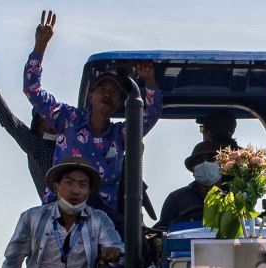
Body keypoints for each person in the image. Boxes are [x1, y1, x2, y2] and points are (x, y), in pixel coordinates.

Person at [23, 10, 163, 219]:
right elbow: (32, 90)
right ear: (91, 96)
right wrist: (39, 47)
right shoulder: (68, 119)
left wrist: (150, 81)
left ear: (119, 103)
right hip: (60, 212)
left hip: (100, 217)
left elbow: (150, 115)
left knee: (134, 241)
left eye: (114, 92)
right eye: (102, 89)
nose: (107, 94)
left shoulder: (121, 134)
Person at [0, 56, 57, 203]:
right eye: (47, 116)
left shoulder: (71, 141)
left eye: (54, 115)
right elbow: (10, 122)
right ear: (39, 122)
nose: (53, 120)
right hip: (54, 216)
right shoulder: (37, 146)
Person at [153, 140, 233, 230]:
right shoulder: (176, 199)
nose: (205, 163)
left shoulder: (235, 197)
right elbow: (160, 235)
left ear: (223, 165)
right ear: (193, 169)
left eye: (211, 158)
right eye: (199, 160)